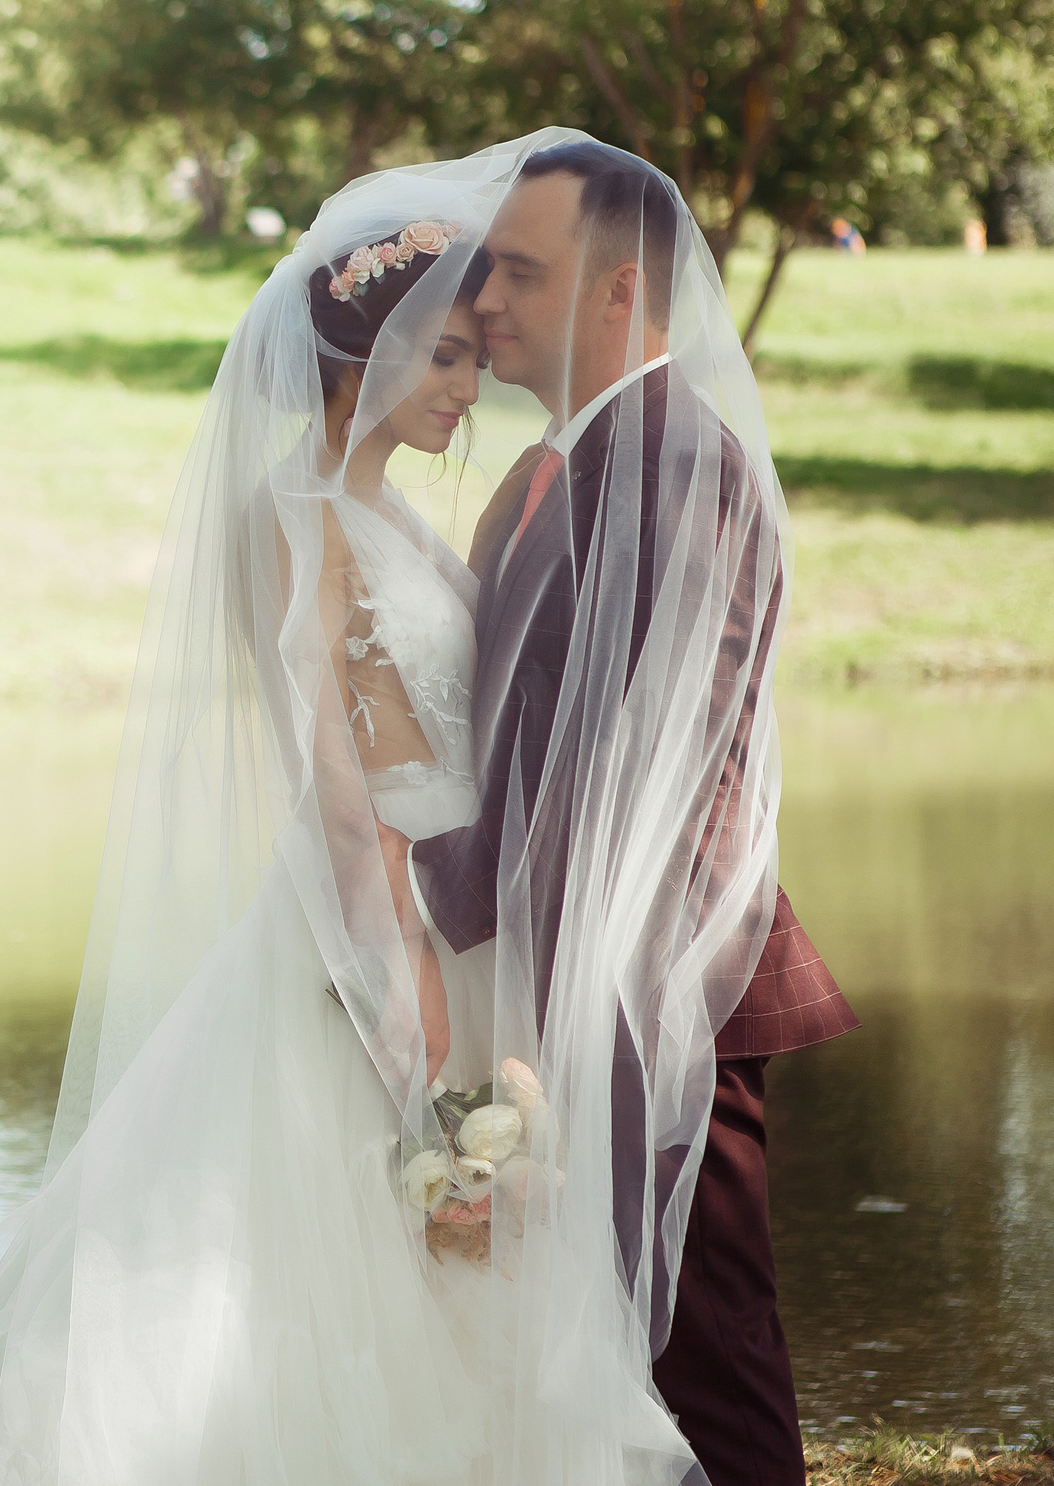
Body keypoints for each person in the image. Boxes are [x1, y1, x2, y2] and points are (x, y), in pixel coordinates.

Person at [0, 133, 848, 1486]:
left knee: (657, 1322)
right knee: (402, 1301)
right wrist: (418, 1014)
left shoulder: (564, 487)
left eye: (489, 317)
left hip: (575, 948)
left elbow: (629, 754)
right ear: (360, 361)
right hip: (401, 946)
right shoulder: (315, 522)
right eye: (442, 347)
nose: (477, 359)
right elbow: (353, 801)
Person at [403, 140, 857, 1486]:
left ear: (624, 291)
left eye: (522, 275)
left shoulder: (671, 466)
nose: (485, 305)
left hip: (658, 982)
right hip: (588, 975)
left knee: (700, 1352)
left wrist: (463, 910)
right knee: (624, 1347)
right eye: (489, 272)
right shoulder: (574, 462)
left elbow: (629, 760)